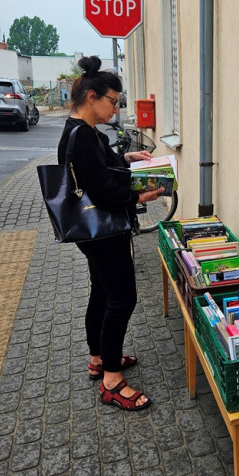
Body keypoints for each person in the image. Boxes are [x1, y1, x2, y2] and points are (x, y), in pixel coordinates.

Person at [57, 56, 163, 411]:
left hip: (92, 232)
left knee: (102, 292)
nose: (115, 109)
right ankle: (112, 382)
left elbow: (99, 170)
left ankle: (99, 357)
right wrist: (138, 195)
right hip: (103, 231)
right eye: (112, 101)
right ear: (91, 96)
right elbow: (101, 190)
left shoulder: (78, 130)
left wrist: (128, 158)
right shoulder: (84, 137)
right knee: (122, 298)